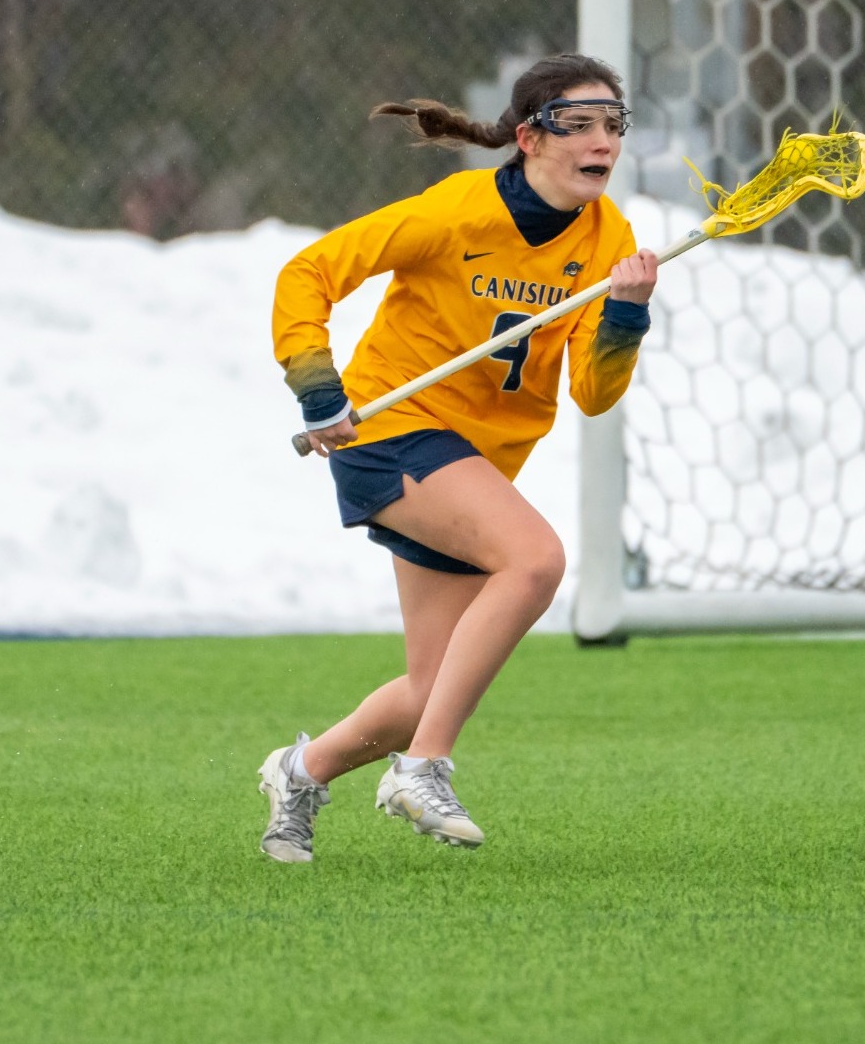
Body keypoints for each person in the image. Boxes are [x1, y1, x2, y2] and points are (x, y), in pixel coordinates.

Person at [257, 53, 660, 863]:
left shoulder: (609, 239)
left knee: (424, 690)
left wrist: (625, 316)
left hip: (474, 463)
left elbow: (593, 392)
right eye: (578, 125)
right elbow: (309, 272)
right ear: (529, 138)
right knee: (537, 559)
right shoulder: (458, 212)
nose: (601, 142)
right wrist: (315, 386)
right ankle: (424, 769)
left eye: (613, 126)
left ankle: (301, 771)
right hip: (390, 429)